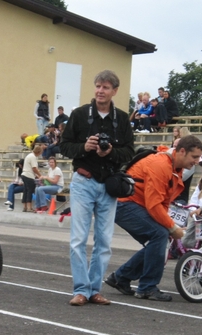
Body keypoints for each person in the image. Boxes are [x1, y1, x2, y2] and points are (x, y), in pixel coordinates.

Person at [60, 69, 135, 307]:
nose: (100, 91)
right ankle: (81, 289)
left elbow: (130, 153)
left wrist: (111, 151)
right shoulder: (80, 114)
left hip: (109, 185)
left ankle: (95, 290)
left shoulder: (122, 119)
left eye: (105, 87)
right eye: (98, 86)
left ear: (115, 91)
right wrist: (85, 147)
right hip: (83, 182)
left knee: (104, 241)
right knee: (78, 239)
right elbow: (64, 146)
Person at [105, 135, 202, 302]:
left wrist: (168, 226)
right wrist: (172, 227)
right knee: (159, 234)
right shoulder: (161, 165)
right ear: (181, 151)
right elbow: (153, 205)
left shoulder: (173, 168)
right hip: (124, 204)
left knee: (159, 236)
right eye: (194, 157)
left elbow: (163, 203)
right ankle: (147, 287)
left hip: (132, 204)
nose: (197, 161)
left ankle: (121, 278)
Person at [21, 144, 44, 212]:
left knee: (25, 191)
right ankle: (29, 207)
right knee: (29, 191)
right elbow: (34, 168)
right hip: (29, 175)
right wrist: (40, 175)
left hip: (24, 174)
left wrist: (36, 175)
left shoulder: (29, 155)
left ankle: (24, 207)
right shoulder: (33, 157)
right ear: (38, 152)